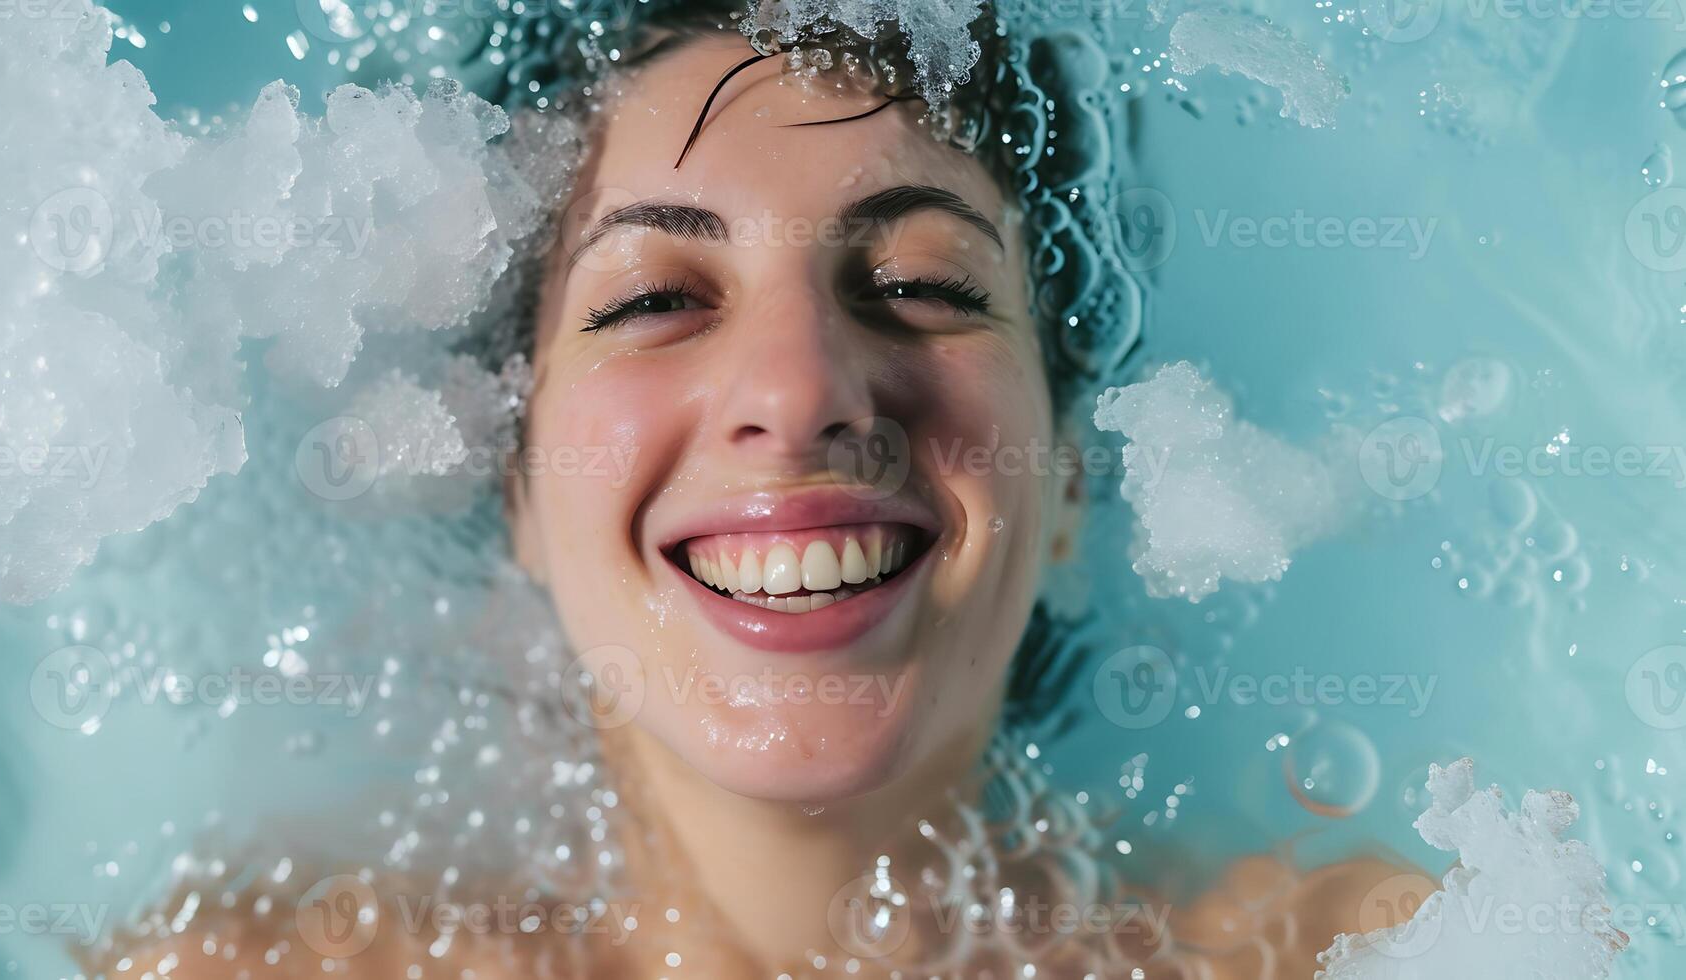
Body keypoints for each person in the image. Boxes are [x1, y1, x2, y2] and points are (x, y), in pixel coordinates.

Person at [93, 3, 1409, 976]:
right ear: (521, 496)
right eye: (658, 297)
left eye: (920, 286)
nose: (799, 390)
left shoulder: (1367, 955)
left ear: (1066, 485)